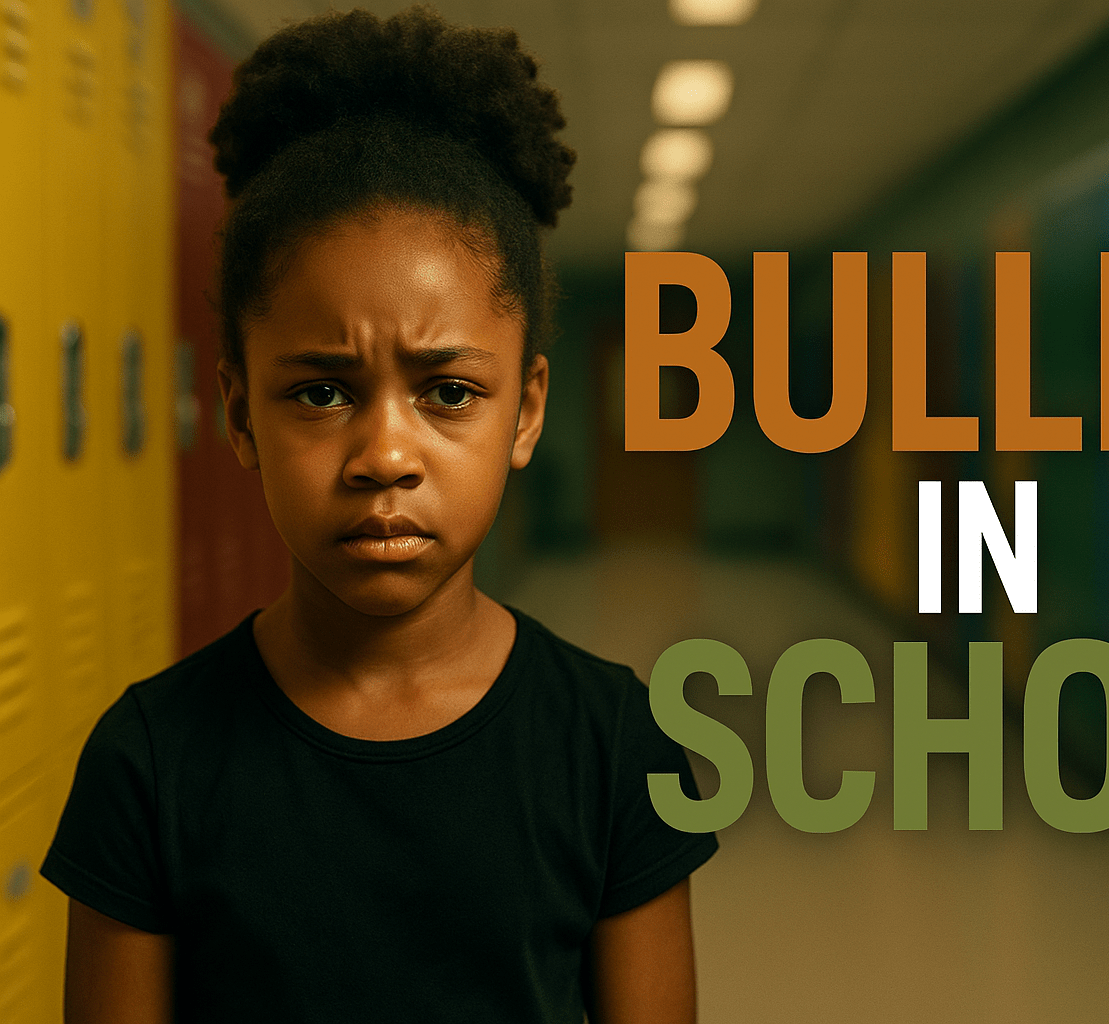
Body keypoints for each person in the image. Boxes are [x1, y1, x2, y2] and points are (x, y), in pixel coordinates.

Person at [40, 7, 717, 1022]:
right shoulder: (149, 762)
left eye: (448, 391)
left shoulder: (613, 745)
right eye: (320, 392)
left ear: (526, 410)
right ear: (238, 414)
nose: (385, 456)